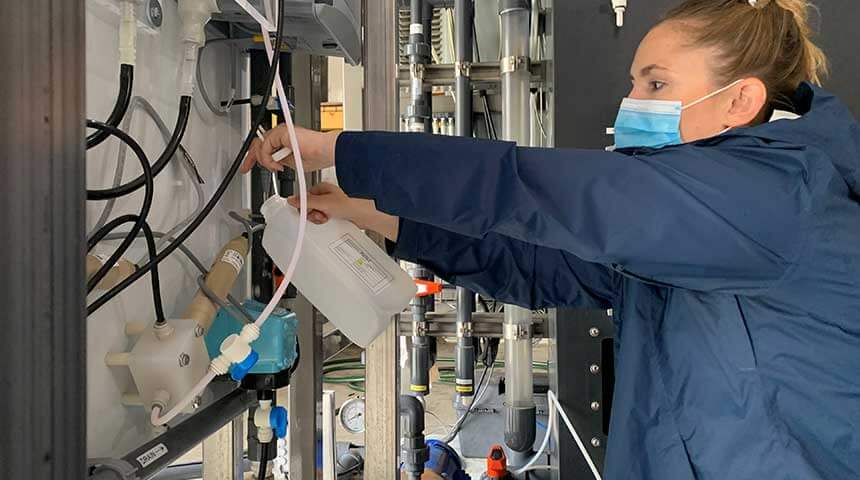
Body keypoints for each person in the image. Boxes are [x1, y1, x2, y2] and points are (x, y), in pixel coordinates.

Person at [243, 0, 860, 478]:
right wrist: (379, 212)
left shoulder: (776, 201)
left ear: (740, 101)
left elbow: (526, 190)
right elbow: (542, 264)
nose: (629, 104)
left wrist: (343, 152)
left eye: (655, 84)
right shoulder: (701, 228)